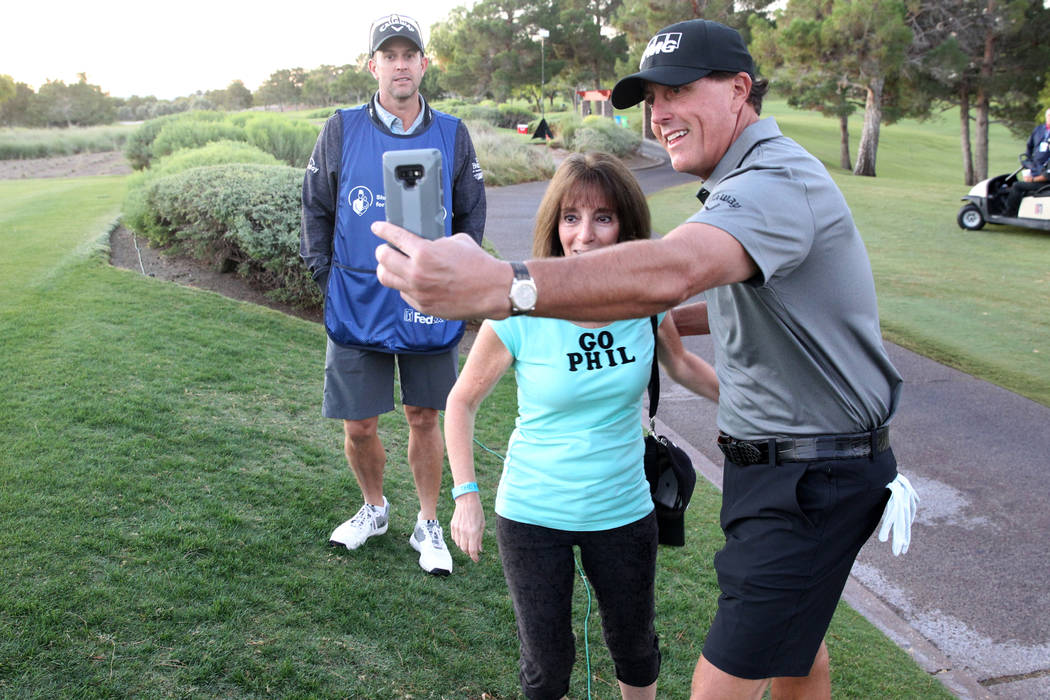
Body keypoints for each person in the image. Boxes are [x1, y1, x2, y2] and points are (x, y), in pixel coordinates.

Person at [372, 18, 904, 699]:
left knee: (722, 680)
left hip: (809, 479)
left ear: (740, 89)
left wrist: (505, 286)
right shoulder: (743, 181)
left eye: (678, 90)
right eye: (651, 98)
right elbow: (711, 309)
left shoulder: (773, 182)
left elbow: (674, 270)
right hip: (782, 473)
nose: (660, 113)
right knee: (796, 654)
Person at [444, 152, 718, 700]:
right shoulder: (520, 312)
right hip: (532, 511)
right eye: (571, 218)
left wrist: (759, 410)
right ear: (555, 225)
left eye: (603, 218)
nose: (585, 236)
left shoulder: (646, 302)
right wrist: (466, 496)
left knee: (636, 648)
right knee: (547, 666)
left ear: (627, 226)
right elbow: (461, 403)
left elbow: (682, 365)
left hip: (622, 509)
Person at [299, 12, 486, 576]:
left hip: (426, 302)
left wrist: (453, 274)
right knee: (359, 424)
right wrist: (324, 274)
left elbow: (471, 211)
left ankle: (427, 523)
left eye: (410, 55)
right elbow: (316, 204)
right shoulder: (342, 127)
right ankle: (374, 508)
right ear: (373, 65)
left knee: (425, 416)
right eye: (390, 54)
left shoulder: (452, 132)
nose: (400, 64)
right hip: (358, 296)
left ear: (424, 64)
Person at [1006, 107, 1050, 216]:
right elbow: (1029, 146)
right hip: (1036, 168)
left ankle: (1010, 213)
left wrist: (1032, 179)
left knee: (1017, 186)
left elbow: (1047, 176)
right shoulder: (1039, 130)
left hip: (1044, 179)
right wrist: (1029, 162)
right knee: (1017, 183)